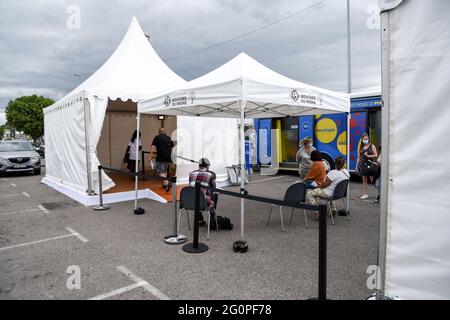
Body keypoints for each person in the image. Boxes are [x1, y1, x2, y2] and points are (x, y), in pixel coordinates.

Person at [188, 158, 218, 225]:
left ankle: (199, 219)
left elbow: (190, 186)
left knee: (197, 194)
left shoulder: (191, 173)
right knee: (215, 195)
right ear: (207, 166)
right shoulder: (211, 174)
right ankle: (212, 219)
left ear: (199, 166)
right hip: (204, 202)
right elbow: (213, 189)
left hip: (190, 202)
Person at [355, 133, 378, 199]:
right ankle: (365, 194)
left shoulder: (372, 146)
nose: (365, 140)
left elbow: (376, 154)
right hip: (362, 165)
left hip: (370, 165)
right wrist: (356, 167)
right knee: (364, 181)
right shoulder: (361, 147)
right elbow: (358, 158)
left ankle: (378, 194)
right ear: (362, 140)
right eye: (364, 139)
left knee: (372, 180)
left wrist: (369, 156)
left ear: (368, 139)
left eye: (366, 139)